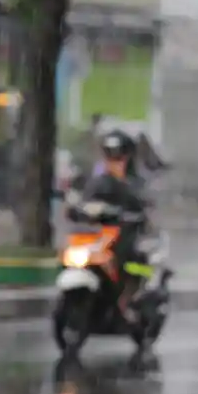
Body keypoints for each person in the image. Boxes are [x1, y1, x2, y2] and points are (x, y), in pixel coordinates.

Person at [77, 129, 156, 322]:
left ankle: (128, 299)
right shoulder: (98, 181)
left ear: (129, 157)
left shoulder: (136, 183)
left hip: (129, 235)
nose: (114, 161)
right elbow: (83, 202)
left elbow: (145, 206)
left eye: (119, 156)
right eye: (109, 155)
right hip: (101, 235)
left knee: (134, 260)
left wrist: (133, 215)